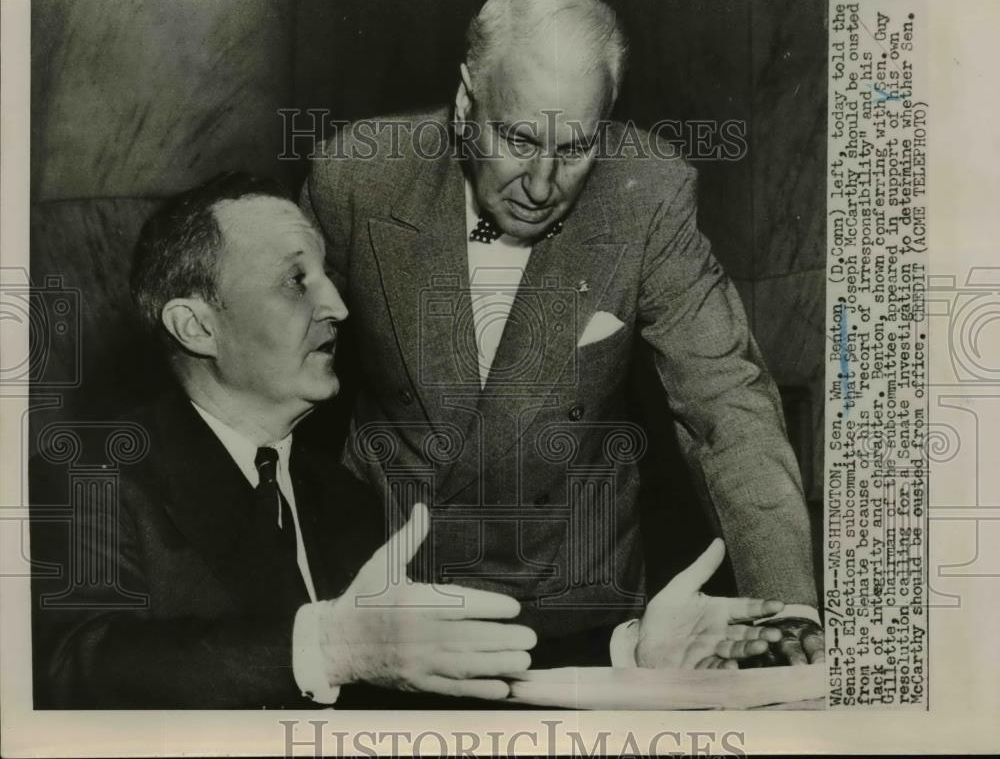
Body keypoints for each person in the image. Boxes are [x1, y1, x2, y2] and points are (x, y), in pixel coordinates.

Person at [29, 172, 787, 710]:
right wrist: (332, 647)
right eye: (297, 281)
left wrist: (631, 653)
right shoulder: (90, 474)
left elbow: (444, 664)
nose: (337, 305)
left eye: (329, 273)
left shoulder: (342, 496)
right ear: (196, 324)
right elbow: (66, 673)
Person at [301, 0, 824, 665]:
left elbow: (726, 403)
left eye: (575, 149)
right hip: (395, 601)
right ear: (465, 100)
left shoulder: (649, 193)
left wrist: (788, 613)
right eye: (518, 139)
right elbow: (272, 357)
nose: (543, 184)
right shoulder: (358, 178)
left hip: (583, 613)